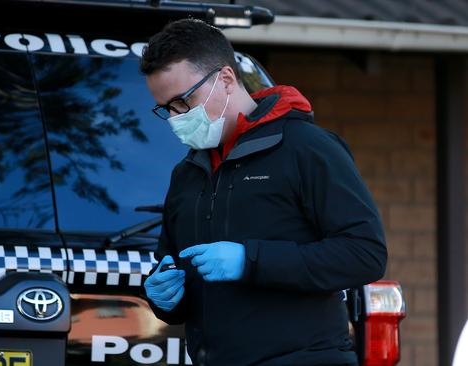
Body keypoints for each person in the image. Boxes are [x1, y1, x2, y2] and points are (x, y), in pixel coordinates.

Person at [139, 18, 387, 366]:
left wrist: (250, 260)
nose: (177, 117)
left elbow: (365, 254)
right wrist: (164, 298)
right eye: (167, 108)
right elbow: (174, 270)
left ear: (225, 79)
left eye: (184, 101)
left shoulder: (307, 149)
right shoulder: (187, 174)